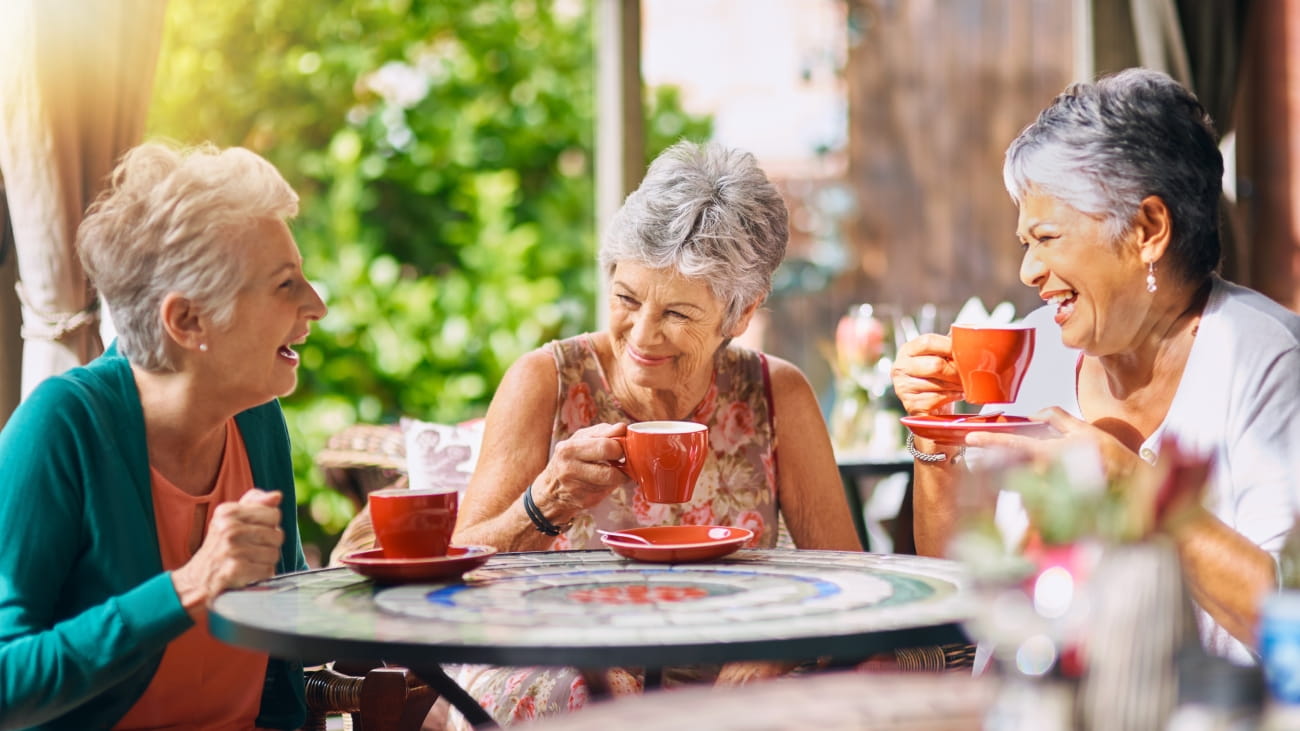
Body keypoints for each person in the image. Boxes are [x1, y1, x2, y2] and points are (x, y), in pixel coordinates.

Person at [440, 140, 861, 727]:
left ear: (740, 315)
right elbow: (454, 575)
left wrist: (778, 646)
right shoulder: (545, 381)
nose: (641, 335)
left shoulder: (778, 395)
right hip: (551, 662)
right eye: (626, 299)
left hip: (723, 678)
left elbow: (849, 581)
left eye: (678, 314)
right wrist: (546, 502)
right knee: (600, 700)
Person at [891, 68, 1300, 664]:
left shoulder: (1263, 359)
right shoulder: (1032, 347)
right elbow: (963, 591)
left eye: (1048, 237)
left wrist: (1132, 486)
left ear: (1148, 230)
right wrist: (935, 438)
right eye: (1024, 243)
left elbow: (1284, 617)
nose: (1028, 271)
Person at [0, 142, 328, 728]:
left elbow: (285, 642)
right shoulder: (61, 427)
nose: (317, 305)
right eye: (285, 284)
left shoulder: (254, 417)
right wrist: (187, 588)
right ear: (187, 320)